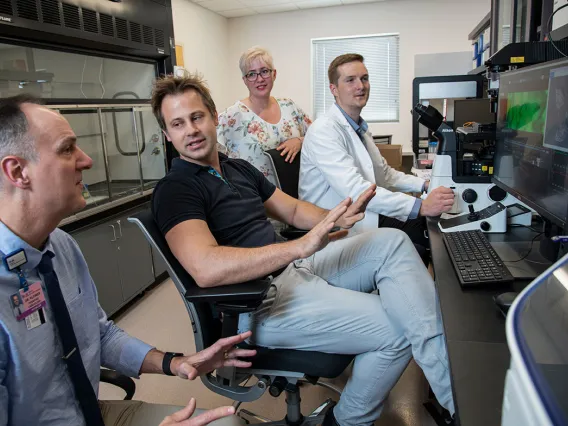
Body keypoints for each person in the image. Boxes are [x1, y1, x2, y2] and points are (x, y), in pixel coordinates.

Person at [151, 74, 455, 426]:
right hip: (258, 305)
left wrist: (337, 218)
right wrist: (298, 247)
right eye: (178, 123)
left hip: (295, 271)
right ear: (167, 135)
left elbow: (292, 210)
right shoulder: (176, 189)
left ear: (215, 117)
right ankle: (349, 420)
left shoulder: (236, 168)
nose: (190, 130)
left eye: (197, 117)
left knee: (393, 242)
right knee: (399, 328)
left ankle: (450, 381)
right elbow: (205, 267)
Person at [0, 94, 255, 426]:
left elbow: (100, 335)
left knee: (231, 423)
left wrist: (177, 362)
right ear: (18, 171)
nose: (87, 160)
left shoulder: (60, 247)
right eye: (67, 149)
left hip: (91, 411)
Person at [298, 53, 455, 258]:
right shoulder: (324, 131)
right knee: (423, 238)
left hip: (365, 215)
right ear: (333, 89)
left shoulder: (358, 127)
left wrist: (424, 185)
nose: (360, 86)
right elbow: (356, 191)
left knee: (429, 228)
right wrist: (422, 206)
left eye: (364, 78)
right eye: (350, 80)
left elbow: (385, 174)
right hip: (337, 229)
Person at [217, 46, 311, 182]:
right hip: (253, 197)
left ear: (274, 74)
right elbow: (209, 149)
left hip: (294, 193)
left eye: (264, 71)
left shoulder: (289, 106)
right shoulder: (231, 116)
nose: (259, 79)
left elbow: (317, 136)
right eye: (252, 74)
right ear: (244, 80)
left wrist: (299, 141)